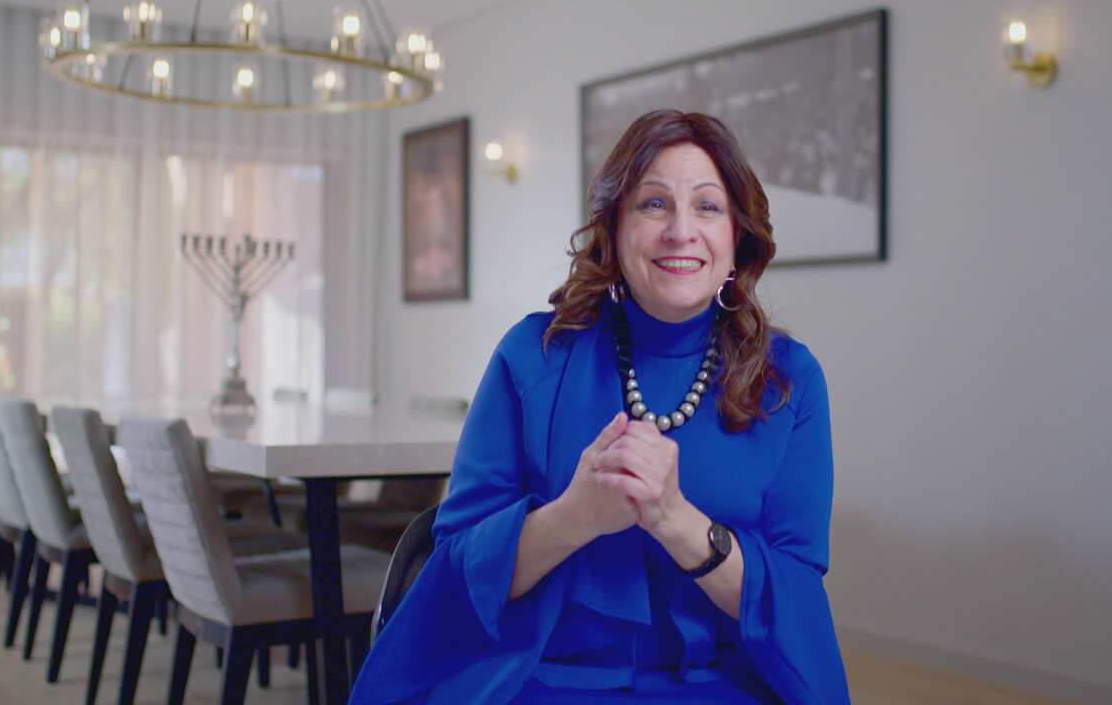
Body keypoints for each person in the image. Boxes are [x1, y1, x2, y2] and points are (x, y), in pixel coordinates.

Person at [351, 109, 850, 703]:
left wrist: (675, 520)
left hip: (719, 684)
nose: (680, 230)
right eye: (653, 204)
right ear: (614, 229)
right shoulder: (532, 356)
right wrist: (577, 515)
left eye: (708, 207)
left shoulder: (790, 381)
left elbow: (794, 597)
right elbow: (455, 571)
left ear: (737, 239)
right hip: (538, 675)